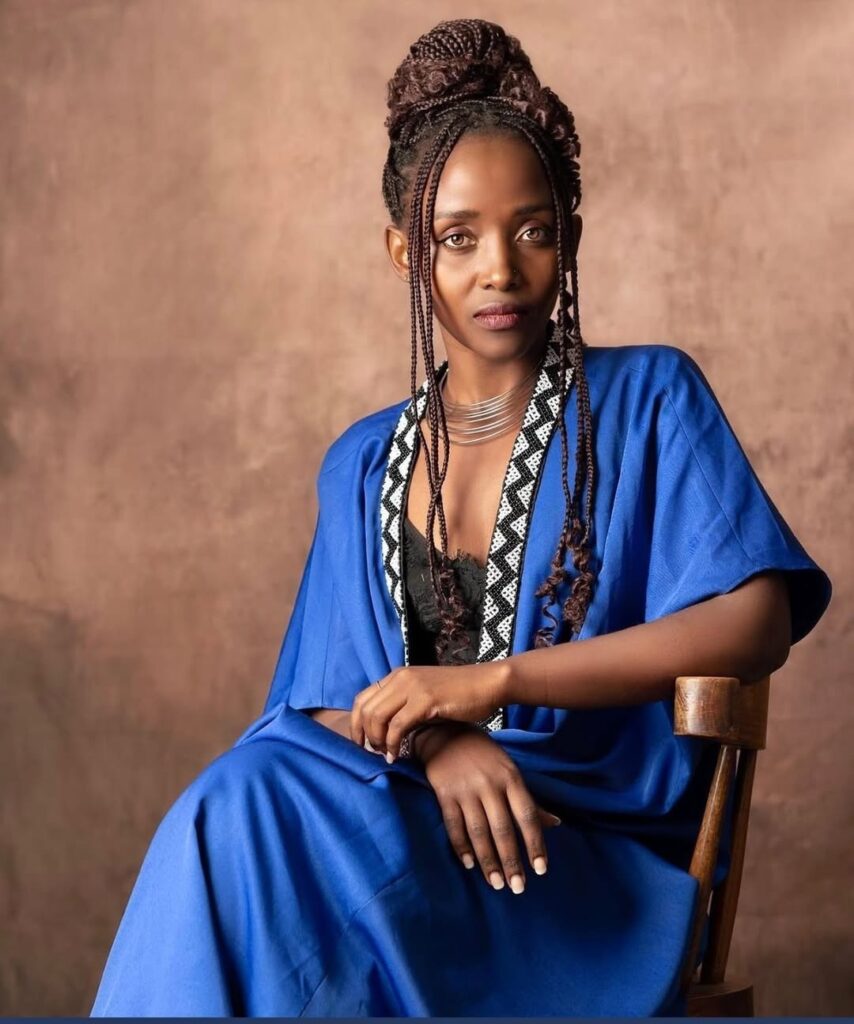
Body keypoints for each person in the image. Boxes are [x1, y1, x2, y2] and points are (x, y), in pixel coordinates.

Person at [90, 18, 832, 1017]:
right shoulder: (361, 464)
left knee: (255, 816)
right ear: (405, 252)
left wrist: (494, 683)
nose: (499, 269)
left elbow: (757, 620)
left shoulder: (651, 399)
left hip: (569, 867)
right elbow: (320, 706)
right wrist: (441, 742)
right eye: (457, 238)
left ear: (569, 236)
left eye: (532, 230)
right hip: (399, 833)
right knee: (247, 796)